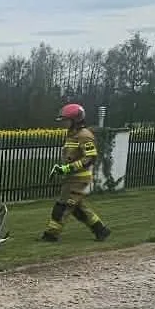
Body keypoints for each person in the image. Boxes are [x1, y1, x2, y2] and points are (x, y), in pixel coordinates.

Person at [41, 103, 111, 242]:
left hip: (78, 179)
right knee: (78, 209)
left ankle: (51, 234)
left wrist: (67, 168)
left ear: (75, 121)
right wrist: (63, 169)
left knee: (62, 206)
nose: (63, 124)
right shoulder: (72, 135)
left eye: (65, 120)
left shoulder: (84, 135)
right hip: (72, 178)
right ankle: (101, 230)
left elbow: (90, 157)